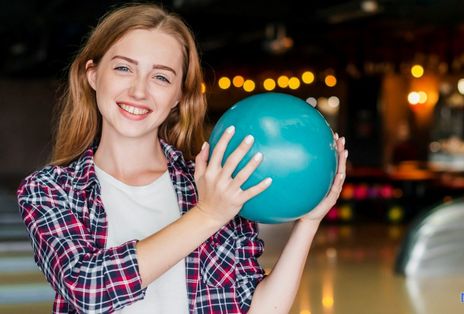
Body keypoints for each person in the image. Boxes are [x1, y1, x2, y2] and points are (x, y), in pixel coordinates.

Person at [16, 4, 347, 314]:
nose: (139, 91)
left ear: (179, 96)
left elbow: (259, 309)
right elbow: (87, 289)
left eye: (161, 77)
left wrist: (309, 222)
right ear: (93, 74)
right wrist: (208, 215)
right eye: (123, 68)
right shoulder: (49, 190)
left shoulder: (213, 182)